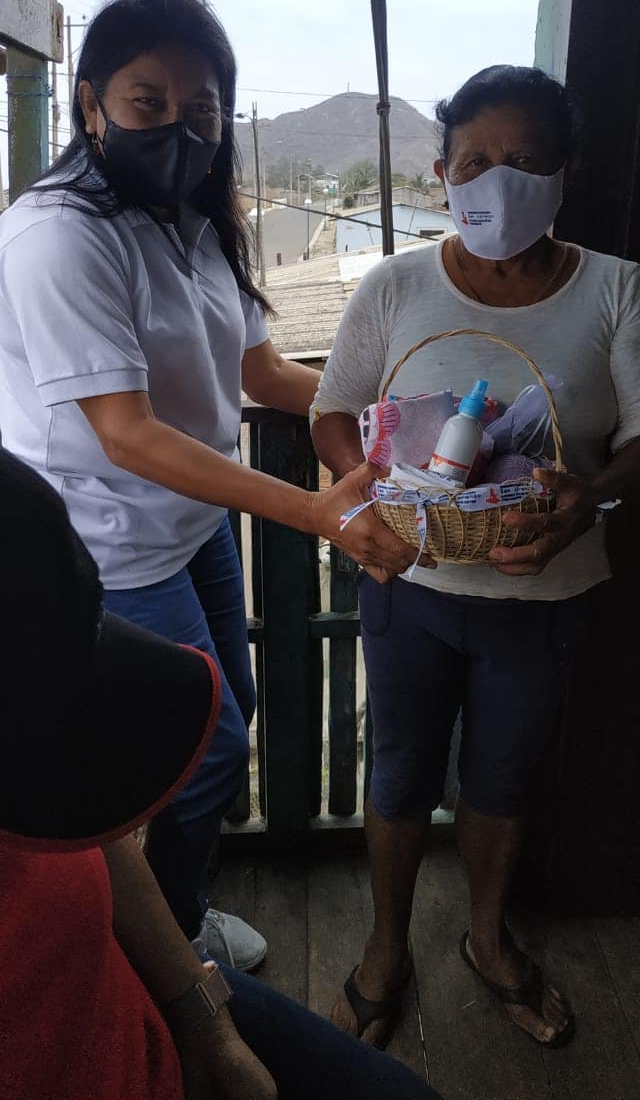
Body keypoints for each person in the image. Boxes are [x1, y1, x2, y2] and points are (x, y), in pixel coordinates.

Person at [0, 0, 415, 971]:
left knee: (231, 709)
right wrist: (316, 510)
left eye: (202, 110)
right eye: (148, 103)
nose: (178, 130)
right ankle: (170, 947)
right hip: (106, 535)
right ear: (91, 104)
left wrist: (392, 412)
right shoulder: (58, 235)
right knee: (205, 745)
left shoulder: (196, 216)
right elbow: (128, 434)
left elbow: (262, 374)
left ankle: (173, 917)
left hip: (188, 524)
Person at [311, 65, 640, 1049]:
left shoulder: (618, 288)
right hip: (410, 585)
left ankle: (488, 939)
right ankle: (385, 947)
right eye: (475, 161)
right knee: (400, 769)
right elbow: (332, 411)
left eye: (527, 162)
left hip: (545, 592)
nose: (499, 181)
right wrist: (366, 490)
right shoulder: (396, 283)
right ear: (441, 171)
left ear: (567, 172)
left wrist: (589, 498)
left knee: (503, 776)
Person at [0, 445, 444, 1100]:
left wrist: (202, 1018)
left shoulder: (44, 787)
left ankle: (188, 925)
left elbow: (88, 835)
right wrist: (314, 510)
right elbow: (125, 431)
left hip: (145, 994)